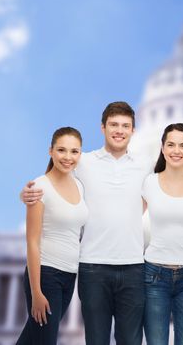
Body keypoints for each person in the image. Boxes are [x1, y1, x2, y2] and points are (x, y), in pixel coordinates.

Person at [21, 102, 152, 345]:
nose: (119, 130)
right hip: (92, 267)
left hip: (133, 265)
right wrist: (27, 194)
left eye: (125, 126)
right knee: (95, 339)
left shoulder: (146, 163)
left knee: (131, 340)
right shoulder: (84, 161)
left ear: (134, 130)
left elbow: (171, 186)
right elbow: (54, 178)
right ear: (102, 128)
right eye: (113, 124)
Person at [17, 127, 88, 345]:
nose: (68, 157)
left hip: (69, 275)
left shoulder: (79, 185)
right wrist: (36, 292)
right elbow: (32, 241)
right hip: (46, 276)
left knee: (32, 339)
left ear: (80, 154)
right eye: (62, 150)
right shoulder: (39, 187)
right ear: (51, 151)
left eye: (74, 151)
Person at [142, 123, 183, 345]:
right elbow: (129, 222)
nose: (176, 151)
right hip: (153, 275)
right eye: (170, 145)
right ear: (162, 148)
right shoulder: (149, 183)